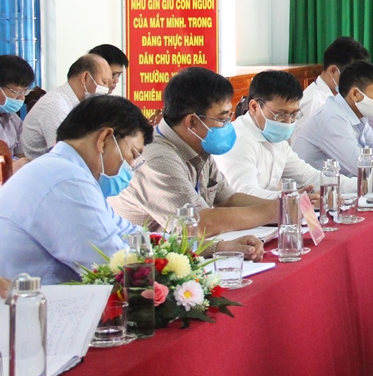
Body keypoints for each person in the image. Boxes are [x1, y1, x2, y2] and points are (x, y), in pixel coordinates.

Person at [0, 96, 262, 285]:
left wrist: (216, 248)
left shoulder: (71, 174)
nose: (133, 166)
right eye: (133, 153)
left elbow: (134, 237)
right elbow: (117, 265)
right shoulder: (65, 181)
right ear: (105, 139)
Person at [109, 67, 279, 235]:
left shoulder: (197, 145)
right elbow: (200, 223)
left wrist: (284, 206)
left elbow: (228, 200)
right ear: (192, 122)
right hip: (139, 258)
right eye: (222, 119)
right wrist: (277, 211)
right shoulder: (157, 158)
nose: (228, 124)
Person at [214, 71, 351, 199]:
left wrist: (359, 185)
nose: (288, 122)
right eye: (280, 114)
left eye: (293, 114)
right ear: (254, 107)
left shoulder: (276, 139)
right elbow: (244, 194)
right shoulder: (238, 139)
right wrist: (291, 198)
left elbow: (310, 177)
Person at [292, 61, 373, 177]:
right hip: (317, 190)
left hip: (343, 185)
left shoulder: (358, 115)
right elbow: (361, 167)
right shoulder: (333, 118)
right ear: (355, 94)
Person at [22, 54, 112, 160]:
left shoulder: (76, 105)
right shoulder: (56, 105)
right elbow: (65, 154)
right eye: (104, 82)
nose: (106, 90)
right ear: (86, 77)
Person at [295, 36, 370, 135]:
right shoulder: (315, 104)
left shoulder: (337, 97)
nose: (356, 82)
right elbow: (300, 147)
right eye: (352, 76)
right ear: (333, 71)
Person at [0, 54, 35, 162]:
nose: (21, 97)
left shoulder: (13, 119)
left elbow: (21, 156)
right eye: (16, 91)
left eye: (24, 91)